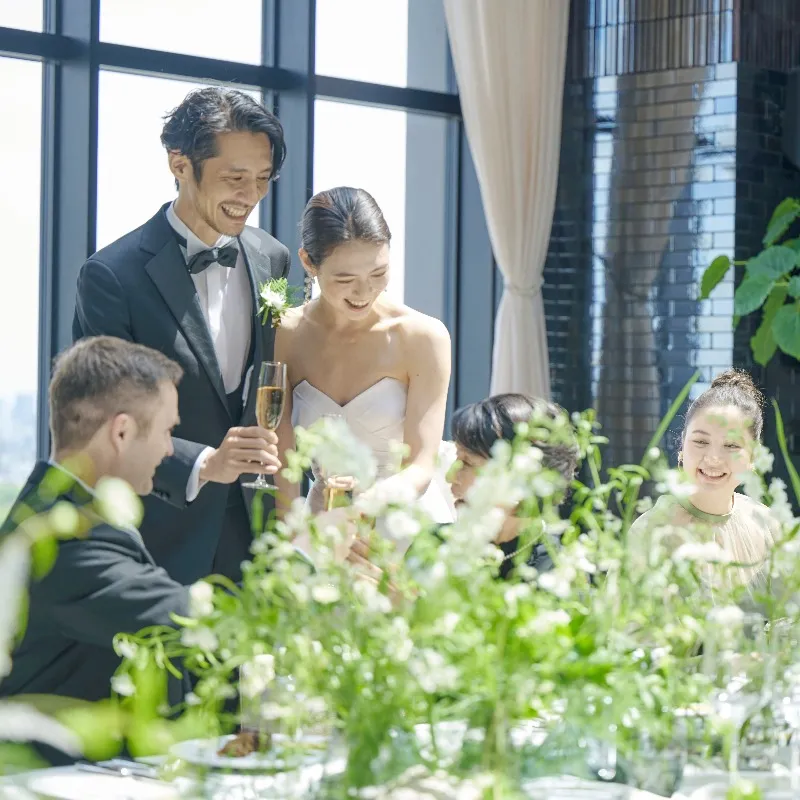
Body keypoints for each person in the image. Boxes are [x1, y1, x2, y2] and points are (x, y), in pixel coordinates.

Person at [73, 87, 287, 584]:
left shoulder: (272, 259)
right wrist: (204, 464)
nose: (250, 195)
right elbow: (102, 416)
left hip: (255, 539)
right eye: (235, 178)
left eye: (262, 179)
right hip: (159, 540)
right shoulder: (112, 276)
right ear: (180, 164)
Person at [0, 337, 190, 707]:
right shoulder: (61, 539)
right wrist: (301, 554)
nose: (170, 449)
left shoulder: (55, 510)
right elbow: (181, 618)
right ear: (122, 433)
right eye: (167, 430)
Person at [274, 187, 454, 534]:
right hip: (322, 524)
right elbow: (282, 460)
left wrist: (365, 506)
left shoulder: (422, 337)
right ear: (308, 262)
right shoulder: (286, 334)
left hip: (405, 524)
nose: (364, 292)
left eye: (378, 273)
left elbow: (421, 464)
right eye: (345, 279)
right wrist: (289, 535)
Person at [629, 369, 776, 587]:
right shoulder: (651, 532)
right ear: (682, 445)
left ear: (753, 456)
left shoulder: (768, 525)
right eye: (701, 442)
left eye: (731, 445)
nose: (713, 458)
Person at [447, 394, 580, 579]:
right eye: (456, 457)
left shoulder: (557, 573)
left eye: (468, 463)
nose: (450, 477)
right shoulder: (435, 546)